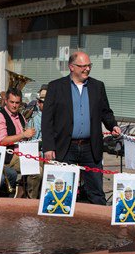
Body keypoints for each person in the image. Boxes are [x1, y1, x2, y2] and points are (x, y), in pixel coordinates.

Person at [41, 52, 121, 205]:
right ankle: (59, 225)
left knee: (96, 192)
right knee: (62, 191)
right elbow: (47, 120)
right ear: (71, 67)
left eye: (89, 65)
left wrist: (113, 125)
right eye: (83, 66)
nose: (87, 69)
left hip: (90, 147)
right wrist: (49, 147)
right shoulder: (56, 87)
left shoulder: (97, 86)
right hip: (65, 146)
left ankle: (99, 226)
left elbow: (105, 111)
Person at [0, 87, 41, 197]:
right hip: (9, 157)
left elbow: (24, 138)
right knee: (37, 170)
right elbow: (2, 140)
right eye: (12, 102)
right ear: (6, 101)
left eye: (17, 103)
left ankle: (24, 191)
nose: (14, 105)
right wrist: (23, 135)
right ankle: (30, 201)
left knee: (46, 165)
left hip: (23, 153)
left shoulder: (20, 116)